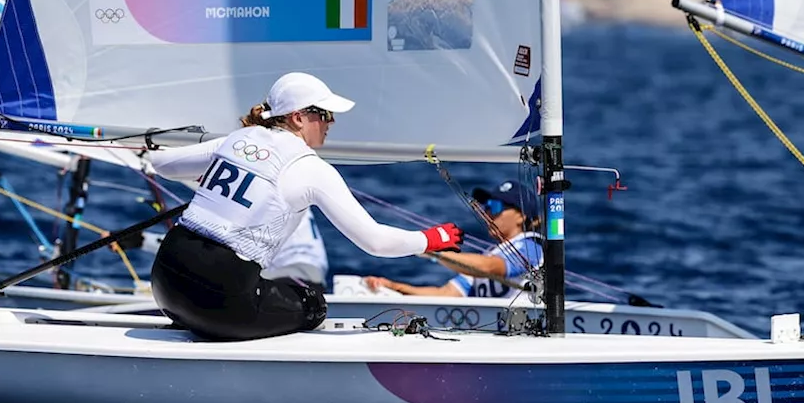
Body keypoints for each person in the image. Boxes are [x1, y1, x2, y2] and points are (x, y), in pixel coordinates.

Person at [146, 72, 464, 341]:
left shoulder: (236, 140)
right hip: (218, 297)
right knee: (313, 305)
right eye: (323, 114)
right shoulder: (312, 169)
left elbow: (163, 165)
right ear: (298, 117)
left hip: (164, 280)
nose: (331, 122)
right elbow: (375, 242)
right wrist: (432, 239)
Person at [363, 181, 543, 298]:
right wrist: (393, 287)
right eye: (485, 206)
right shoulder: (491, 254)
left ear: (521, 216)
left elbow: (488, 268)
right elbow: (446, 293)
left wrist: (430, 249)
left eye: (495, 207)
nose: (487, 213)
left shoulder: (531, 247)